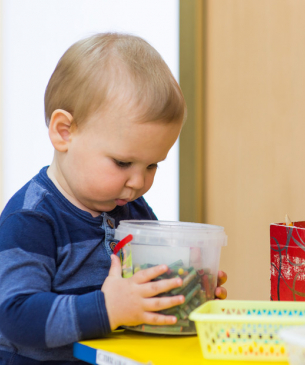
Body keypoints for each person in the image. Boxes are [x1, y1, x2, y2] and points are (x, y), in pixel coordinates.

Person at [0, 33, 227, 364]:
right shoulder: (33, 218)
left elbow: (139, 295)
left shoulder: (131, 210)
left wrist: (184, 290)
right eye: (123, 163)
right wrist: (105, 309)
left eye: (152, 165)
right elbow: (14, 315)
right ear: (64, 132)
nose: (138, 181)